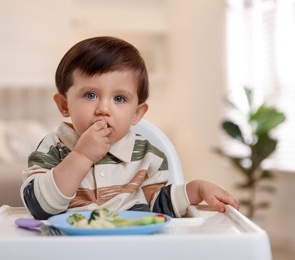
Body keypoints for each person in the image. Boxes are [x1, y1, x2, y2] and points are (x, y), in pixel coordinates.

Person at [20, 36, 238, 220]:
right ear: (64, 105)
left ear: (137, 113)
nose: (104, 109)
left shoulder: (147, 155)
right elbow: (40, 207)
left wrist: (196, 189)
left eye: (119, 98)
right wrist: (81, 156)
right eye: (90, 95)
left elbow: (159, 206)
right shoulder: (53, 147)